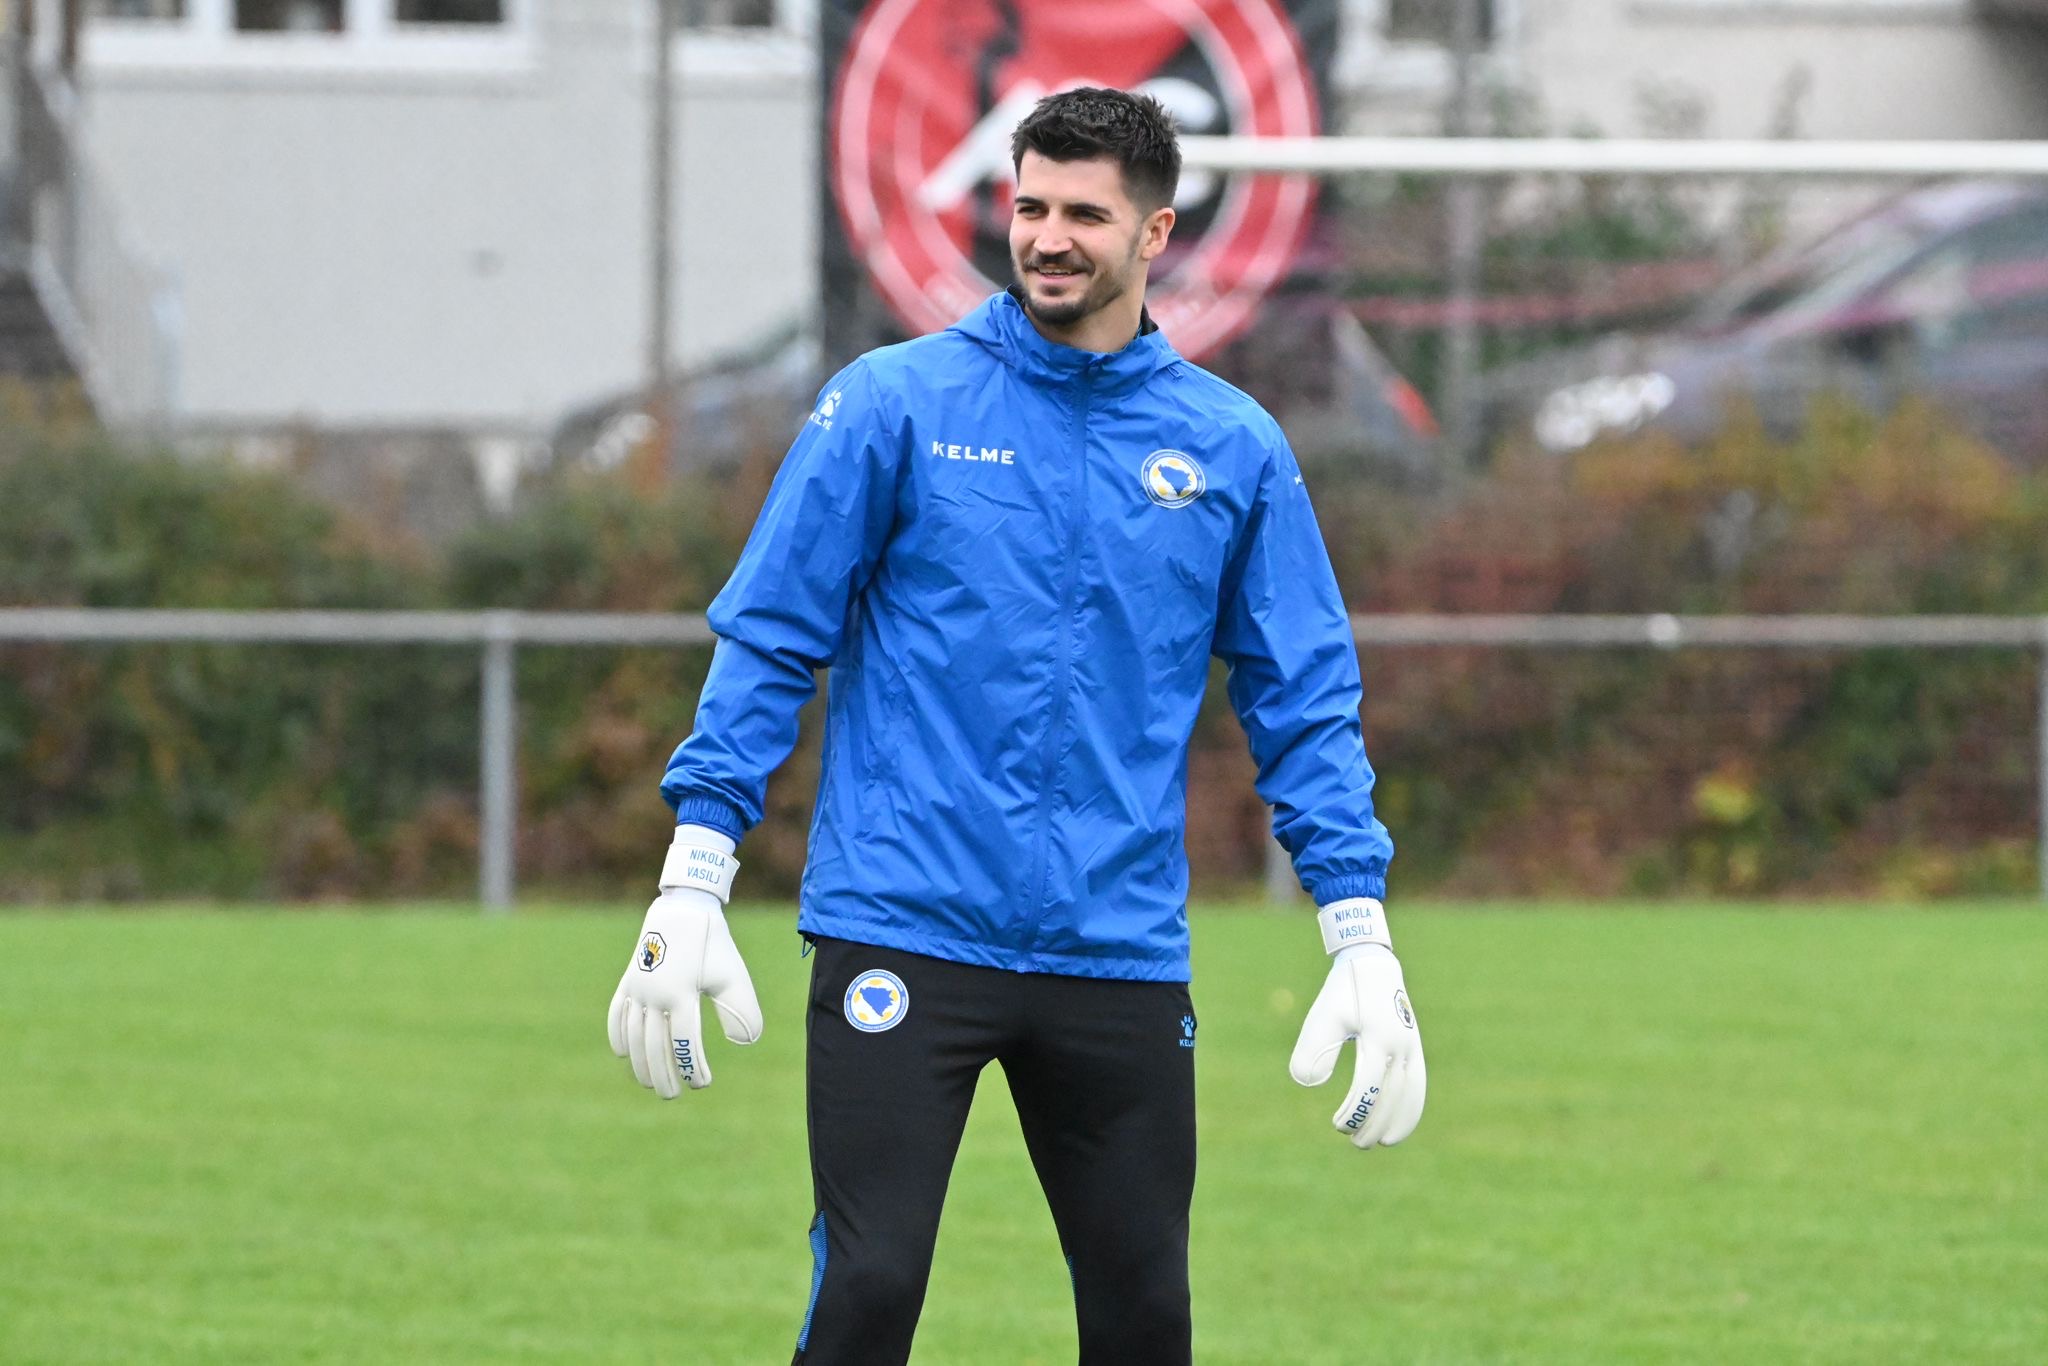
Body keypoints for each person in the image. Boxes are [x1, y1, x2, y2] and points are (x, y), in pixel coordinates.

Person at [606, 87, 1426, 1366]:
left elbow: (1303, 702)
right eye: (1029, 205)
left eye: (1082, 214)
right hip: (904, 926)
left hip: (1115, 950)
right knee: (869, 1289)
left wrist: (1356, 926)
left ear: (1155, 232)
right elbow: (771, 633)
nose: (1045, 235)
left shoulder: (1230, 447)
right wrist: (693, 868)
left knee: (1147, 1316)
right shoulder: (893, 403)